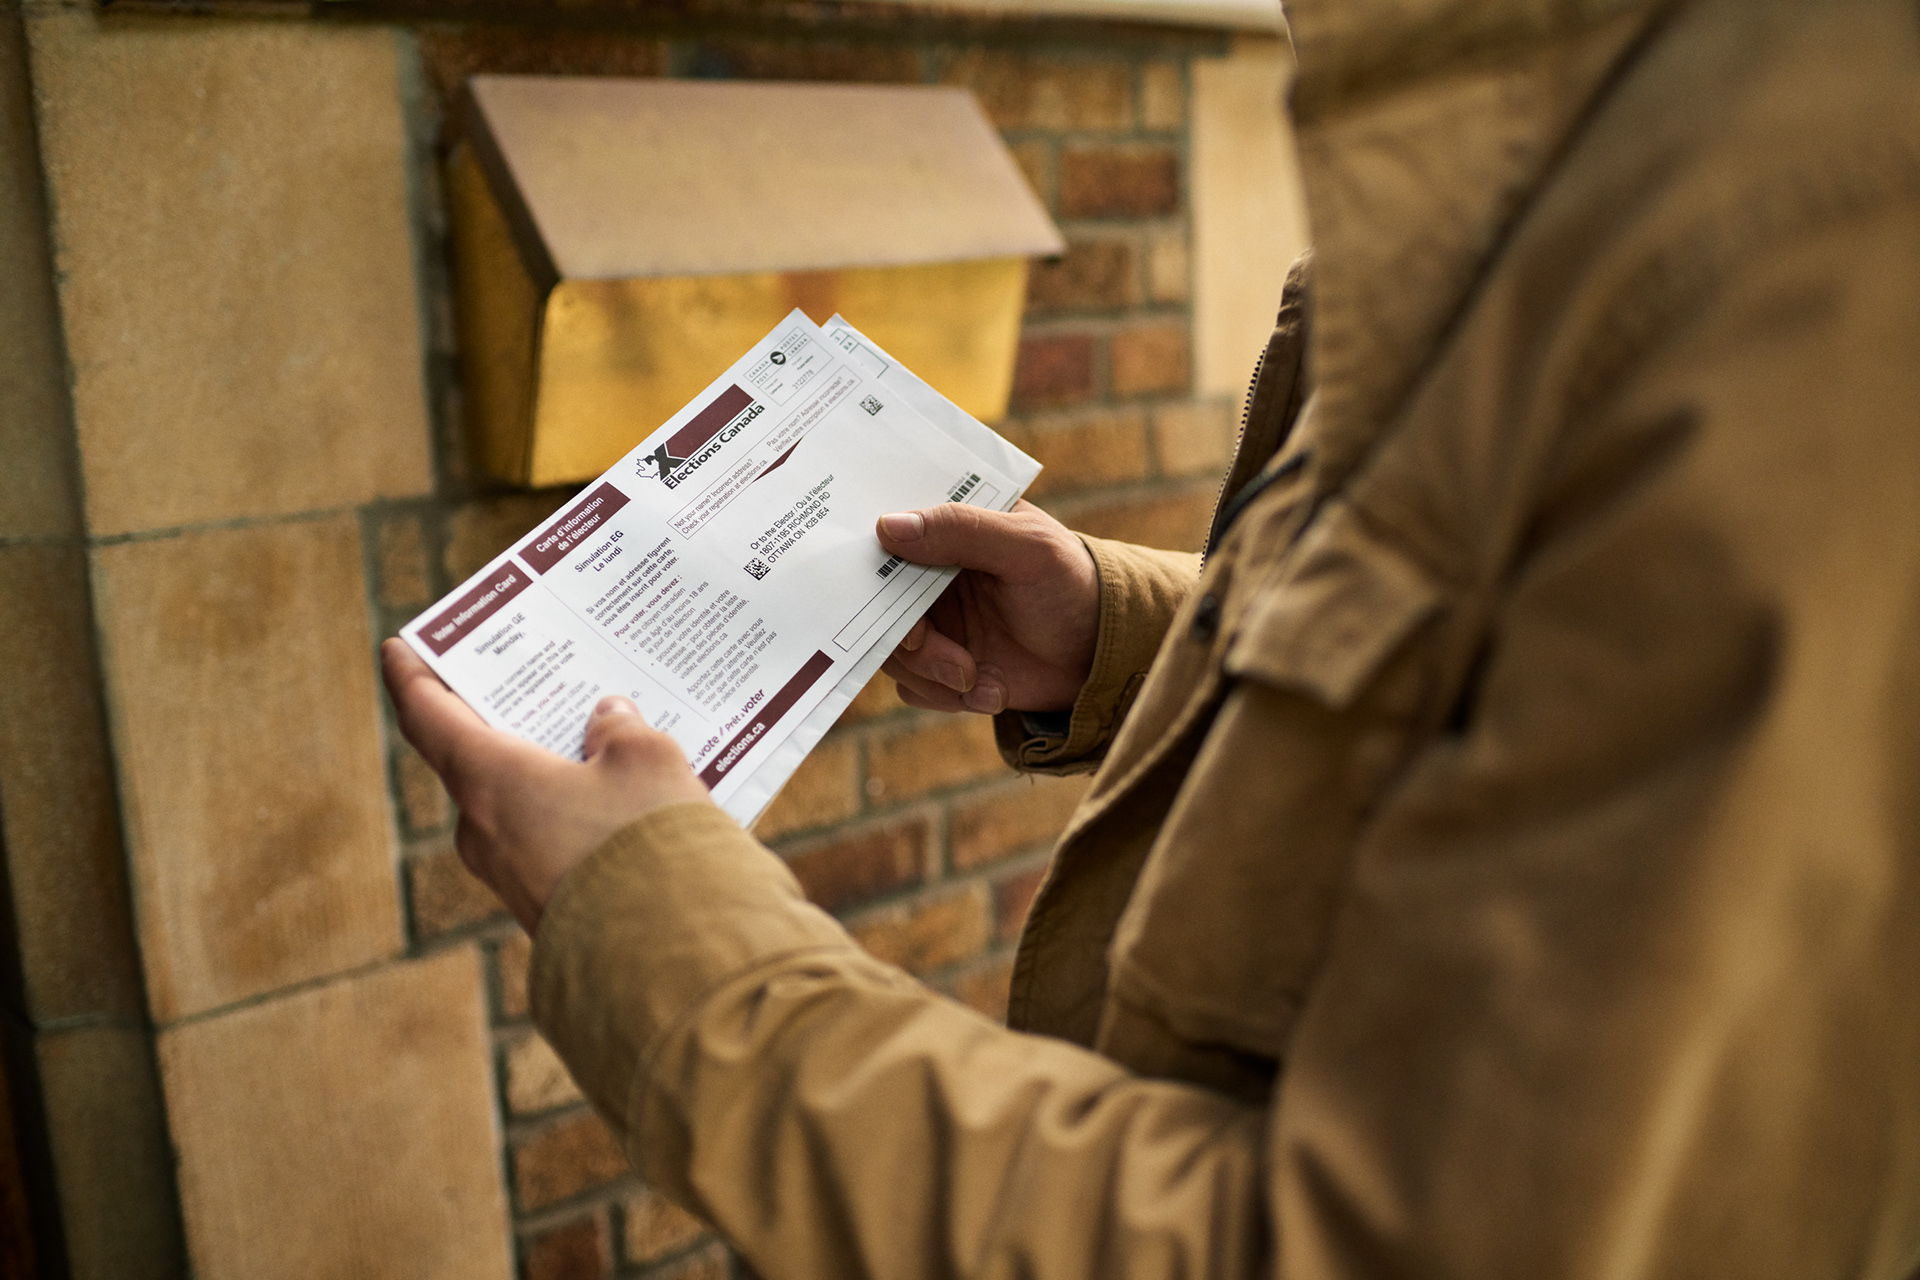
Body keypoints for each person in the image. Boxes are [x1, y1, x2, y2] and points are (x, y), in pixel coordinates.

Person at [385, 0, 1920, 1272]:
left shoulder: (1794, 258)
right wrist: (1136, 642)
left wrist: (655, 940)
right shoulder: (1581, 114)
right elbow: (1545, 657)